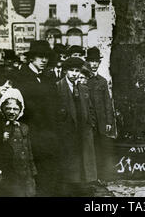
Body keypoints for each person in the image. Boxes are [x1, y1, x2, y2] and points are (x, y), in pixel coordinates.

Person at [14, 40, 60, 196]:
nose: (44, 60)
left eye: (46, 57)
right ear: (31, 58)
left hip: (49, 134)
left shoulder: (47, 77)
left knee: (48, 173)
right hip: (32, 133)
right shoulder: (21, 77)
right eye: (40, 57)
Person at [56, 57, 97, 196]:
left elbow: (90, 109)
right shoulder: (58, 87)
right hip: (67, 130)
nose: (74, 74)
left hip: (83, 129)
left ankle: (81, 185)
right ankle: (69, 186)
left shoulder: (84, 89)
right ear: (65, 71)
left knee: (83, 158)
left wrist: (90, 124)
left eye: (77, 71)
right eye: (71, 70)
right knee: (70, 159)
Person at [0, 88, 37, 197]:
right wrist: (1, 139)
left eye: (15, 109)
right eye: (8, 108)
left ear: (20, 110)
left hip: (25, 172)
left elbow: (29, 150)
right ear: (2, 109)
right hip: (9, 173)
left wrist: (32, 171)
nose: (11, 112)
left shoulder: (24, 127)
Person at [86, 47, 115, 182]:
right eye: (91, 61)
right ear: (87, 62)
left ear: (99, 63)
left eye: (96, 61)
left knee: (101, 148)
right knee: (89, 149)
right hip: (88, 122)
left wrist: (109, 121)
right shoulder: (83, 80)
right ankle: (92, 177)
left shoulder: (102, 81)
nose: (93, 64)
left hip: (101, 122)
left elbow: (107, 103)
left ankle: (102, 177)